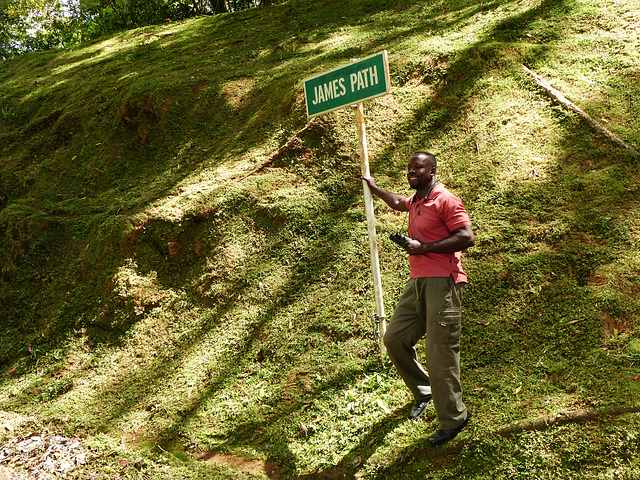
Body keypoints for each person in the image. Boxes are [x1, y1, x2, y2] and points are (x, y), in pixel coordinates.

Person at [362, 151, 475, 446]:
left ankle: (454, 418)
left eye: (418, 167)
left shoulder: (446, 200)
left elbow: (466, 236)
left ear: (433, 171)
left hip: (444, 283)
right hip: (417, 284)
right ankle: (424, 390)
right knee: (394, 339)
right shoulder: (415, 201)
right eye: (410, 167)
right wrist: (375, 189)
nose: (412, 171)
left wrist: (424, 247)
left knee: (440, 355)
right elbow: (399, 202)